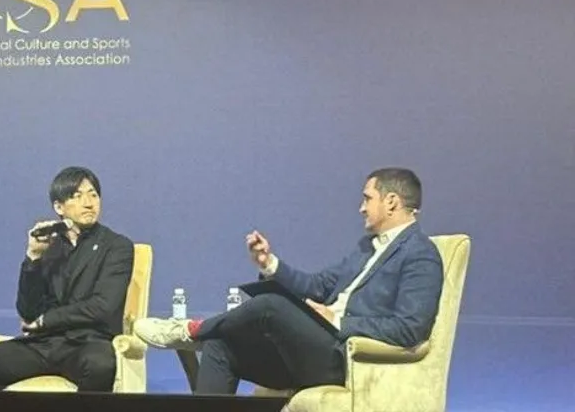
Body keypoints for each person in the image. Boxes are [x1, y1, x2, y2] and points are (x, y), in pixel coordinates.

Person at [134, 167, 443, 394]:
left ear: (391, 201)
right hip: (311, 353)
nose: (361, 207)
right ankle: (207, 334)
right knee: (220, 345)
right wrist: (269, 263)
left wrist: (337, 320)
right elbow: (318, 286)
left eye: (367, 198)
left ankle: (191, 330)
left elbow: (410, 328)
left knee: (271, 305)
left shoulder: (420, 254)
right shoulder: (367, 247)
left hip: (346, 358)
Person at [0, 166, 134, 391]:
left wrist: (46, 320)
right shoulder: (49, 245)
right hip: (43, 344)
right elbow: (28, 312)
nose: (88, 203)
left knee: (100, 365)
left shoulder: (116, 246)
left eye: (93, 195)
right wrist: (33, 258)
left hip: (87, 343)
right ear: (59, 207)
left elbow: (103, 306)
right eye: (77, 196)